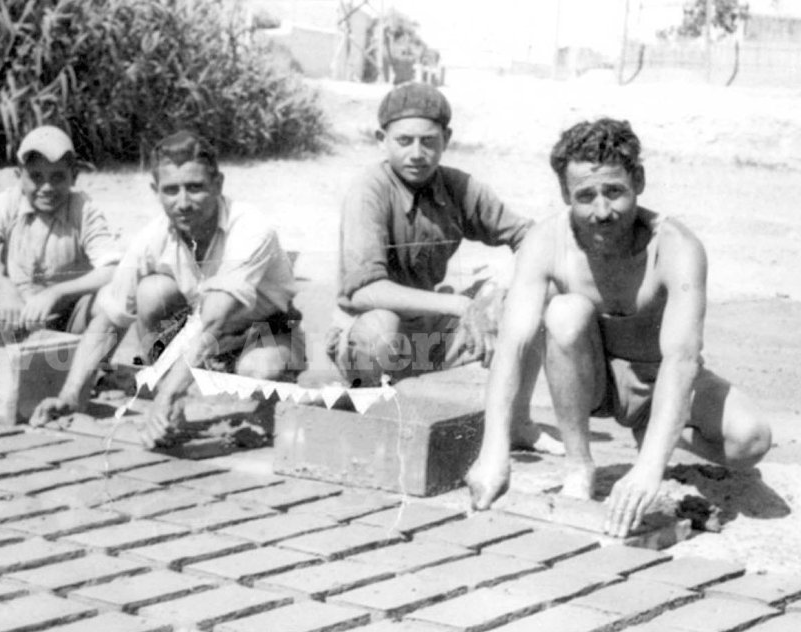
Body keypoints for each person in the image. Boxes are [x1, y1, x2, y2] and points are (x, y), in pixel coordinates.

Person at [466, 118, 773, 537]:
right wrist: (493, 449)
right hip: (592, 380)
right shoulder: (545, 241)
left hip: (659, 378)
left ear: (639, 181)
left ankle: (660, 433)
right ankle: (580, 466)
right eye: (585, 196)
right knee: (564, 313)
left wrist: (649, 468)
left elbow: (681, 361)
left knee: (751, 440)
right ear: (564, 194)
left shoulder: (676, 246)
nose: (602, 211)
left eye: (615, 192)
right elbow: (514, 345)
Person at [29, 131, 304, 447]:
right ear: (155, 191)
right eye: (171, 190)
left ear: (218, 184)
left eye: (195, 188)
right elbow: (109, 318)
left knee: (259, 373)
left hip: (262, 329)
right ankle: (175, 389)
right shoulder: (151, 237)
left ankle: (183, 391)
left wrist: (168, 394)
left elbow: (216, 318)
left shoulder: (251, 227)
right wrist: (69, 396)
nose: (183, 203)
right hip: (198, 335)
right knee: (152, 291)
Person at [329, 81, 543, 444]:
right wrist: (460, 304)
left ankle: (517, 423)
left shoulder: (458, 186)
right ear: (382, 139)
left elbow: (533, 238)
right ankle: (365, 417)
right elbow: (364, 292)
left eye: (428, 141)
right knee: (381, 327)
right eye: (404, 141)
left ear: (446, 138)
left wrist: (501, 289)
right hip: (368, 333)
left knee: (531, 306)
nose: (417, 153)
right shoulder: (369, 190)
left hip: (428, 334)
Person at [0, 125, 122, 333]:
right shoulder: (9, 202)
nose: (46, 188)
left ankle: (84, 360)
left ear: (74, 176)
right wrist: (2, 286)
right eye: (36, 177)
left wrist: (57, 293)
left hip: (69, 318)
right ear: (19, 176)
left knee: (114, 298)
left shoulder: (83, 209)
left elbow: (112, 269)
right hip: (17, 311)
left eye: (57, 177)